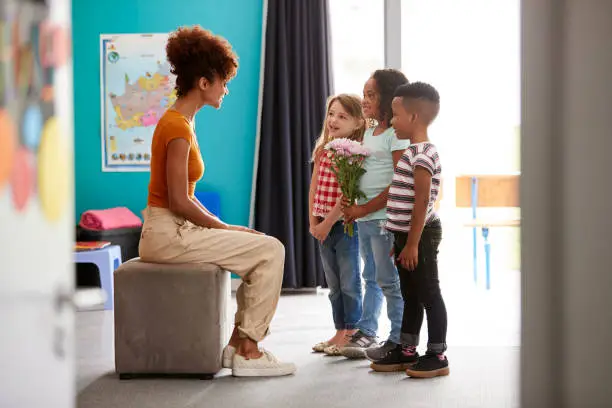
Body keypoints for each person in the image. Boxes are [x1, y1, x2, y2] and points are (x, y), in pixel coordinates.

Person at [138, 25, 295, 378]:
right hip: (167, 235)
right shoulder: (177, 126)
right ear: (204, 82)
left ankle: (238, 346)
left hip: (172, 230)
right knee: (272, 250)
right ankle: (249, 350)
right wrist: (224, 226)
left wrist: (227, 227)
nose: (226, 88)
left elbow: (186, 198)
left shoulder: (182, 122)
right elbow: (179, 201)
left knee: (262, 246)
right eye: (223, 81)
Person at [368, 81, 448, 378]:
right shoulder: (412, 152)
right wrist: (401, 241)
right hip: (407, 236)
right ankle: (407, 349)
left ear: (413, 118)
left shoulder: (422, 155)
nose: (391, 122)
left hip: (421, 234)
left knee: (428, 292)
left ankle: (437, 354)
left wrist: (413, 243)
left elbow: (423, 201)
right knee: (410, 293)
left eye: (396, 116)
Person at [340, 69, 410, 359]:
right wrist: (352, 198)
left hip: (382, 218)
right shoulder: (369, 132)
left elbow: (398, 181)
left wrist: (364, 208)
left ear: (389, 99)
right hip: (366, 218)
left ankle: (398, 338)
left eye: (371, 95)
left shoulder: (396, 134)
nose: (364, 100)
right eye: (364, 93)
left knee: (389, 280)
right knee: (371, 276)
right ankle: (368, 331)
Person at [309, 94, 366, 356]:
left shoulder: (352, 155)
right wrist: (314, 221)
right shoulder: (323, 150)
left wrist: (327, 223)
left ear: (357, 123)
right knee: (333, 285)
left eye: (342, 116)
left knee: (349, 282)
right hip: (322, 225)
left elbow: (348, 195)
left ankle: (352, 332)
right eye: (331, 114)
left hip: (343, 227)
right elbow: (313, 188)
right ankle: (339, 330)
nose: (333, 120)